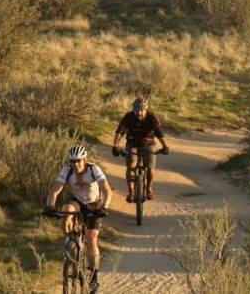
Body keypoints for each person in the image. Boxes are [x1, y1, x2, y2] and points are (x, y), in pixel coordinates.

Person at [43, 144, 112, 292]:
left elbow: (107, 190)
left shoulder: (94, 169)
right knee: (66, 210)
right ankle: (70, 243)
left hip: (95, 204)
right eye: (72, 161)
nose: (75, 164)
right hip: (78, 202)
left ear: (85, 160)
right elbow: (54, 191)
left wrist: (104, 207)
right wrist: (49, 206)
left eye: (78, 161)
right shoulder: (67, 171)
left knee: (91, 237)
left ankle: (93, 278)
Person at [112, 97, 169, 203]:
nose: (138, 112)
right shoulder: (128, 117)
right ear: (133, 109)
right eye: (136, 109)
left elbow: (159, 133)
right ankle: (131, 191)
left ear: (146, 109)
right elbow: (120, 132)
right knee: (131, 165)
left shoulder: (152, 117)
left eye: (141, 110)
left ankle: (149, 188)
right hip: (132, 143)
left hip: (148, 144)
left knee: (150, 168)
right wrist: (115, 145)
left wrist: (165, 146)